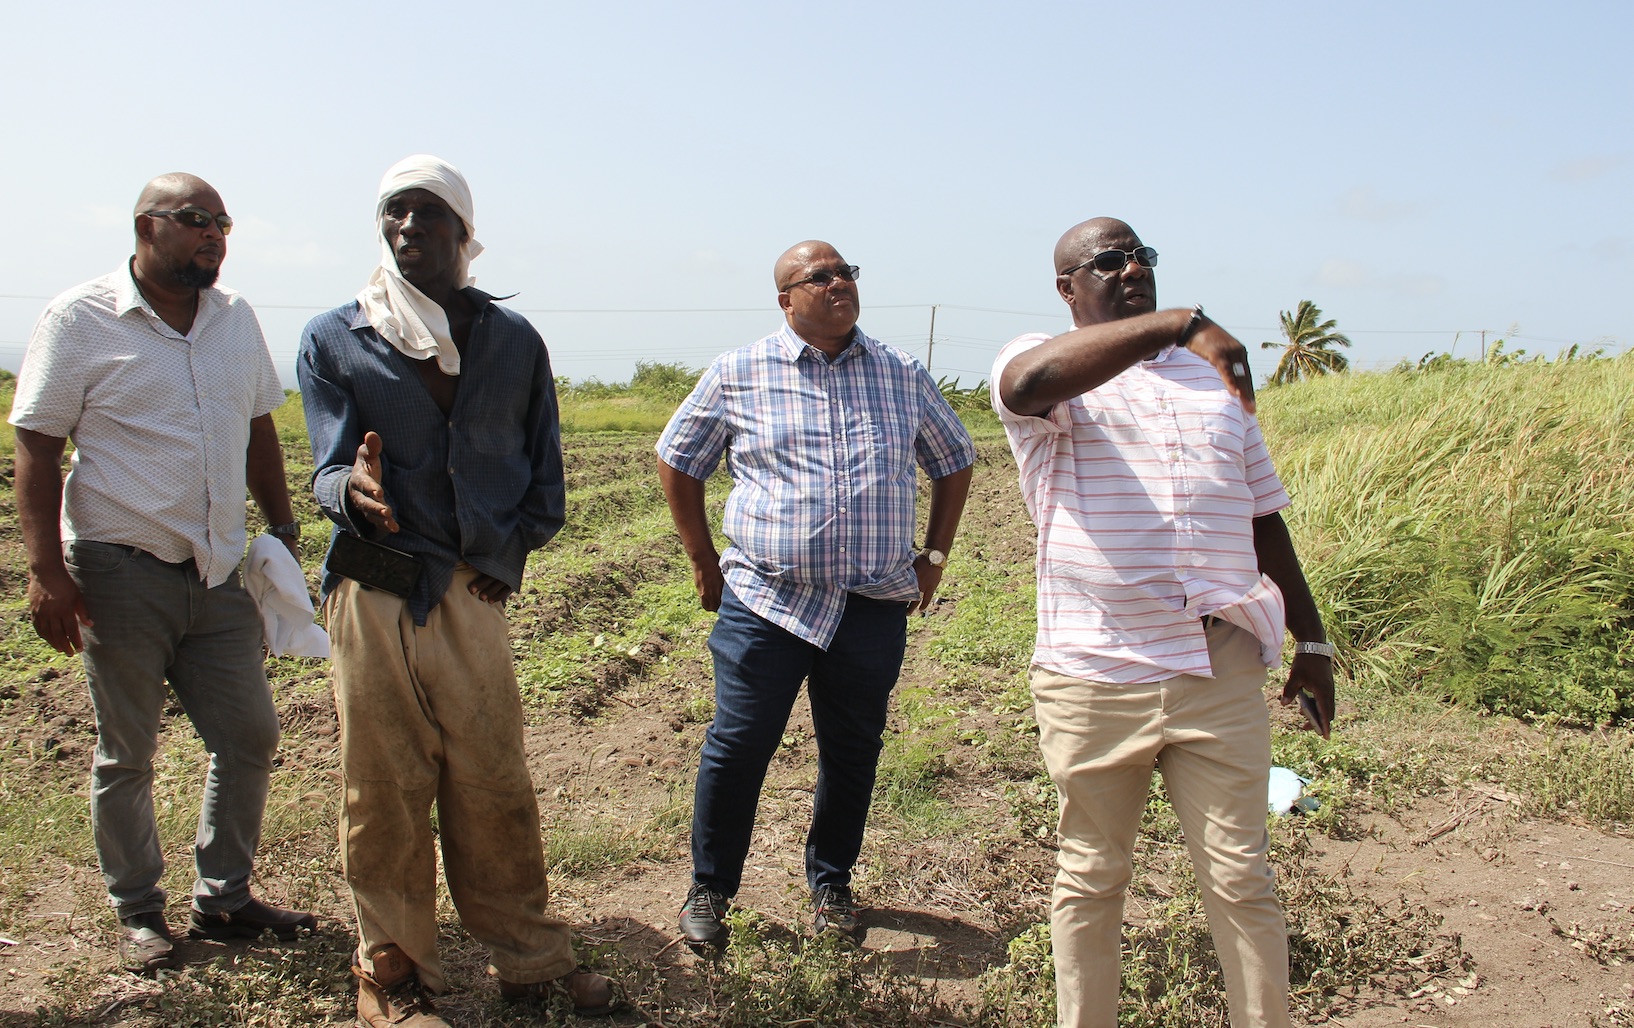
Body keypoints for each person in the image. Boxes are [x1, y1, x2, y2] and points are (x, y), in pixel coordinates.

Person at [991, 217, 1337, 1028]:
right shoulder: (1041, 362)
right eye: (1107, 261)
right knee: (1093, 875)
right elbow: (1023, 386)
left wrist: (1311, 638)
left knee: (1242, 875)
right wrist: (1180, 321)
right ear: (1067, 287)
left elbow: (1263, 516)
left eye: (1142, 256)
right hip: (1096, 671)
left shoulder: (1213, 379)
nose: (1132, 269)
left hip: (1219, 667)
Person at [297, 155, 613, 1026]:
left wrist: (502, 559)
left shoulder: (512, 342)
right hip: (375, 591)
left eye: (426, 216)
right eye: (393, 215)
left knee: (493, 779)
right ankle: (391, 975)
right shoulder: (336, 337)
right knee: (383, 785)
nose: (407, 231)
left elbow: (543, 478)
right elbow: (325, 466)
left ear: (464, 233)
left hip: (471, 594)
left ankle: (531, 963)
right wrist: (347, 491)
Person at [9, 173, 315, 974]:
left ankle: (225, 897)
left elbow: (259, 430)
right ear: (148, 225)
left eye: (223, 222)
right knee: (128, 753)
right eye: (196, 220)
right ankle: (137, 909)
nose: (214, 234)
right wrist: (45, 572)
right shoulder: (79, 319)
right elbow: (37, 447)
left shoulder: (234, 318)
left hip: (215, 571)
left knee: (249, 734)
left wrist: (279, 530)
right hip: (118, 569)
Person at [657, 240, 977, 950]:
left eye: (847, 273)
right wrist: (703, 558)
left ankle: (831, 884)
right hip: (767, 601)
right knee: (738, 746)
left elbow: (953, 459)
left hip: (870, 605)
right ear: (786, 299)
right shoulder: (738, 372)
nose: (839, 284)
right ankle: (710, 886)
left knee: (853, 749)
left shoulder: (901, 372)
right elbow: (678, 458)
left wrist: (936, 554)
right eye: (820, 276)